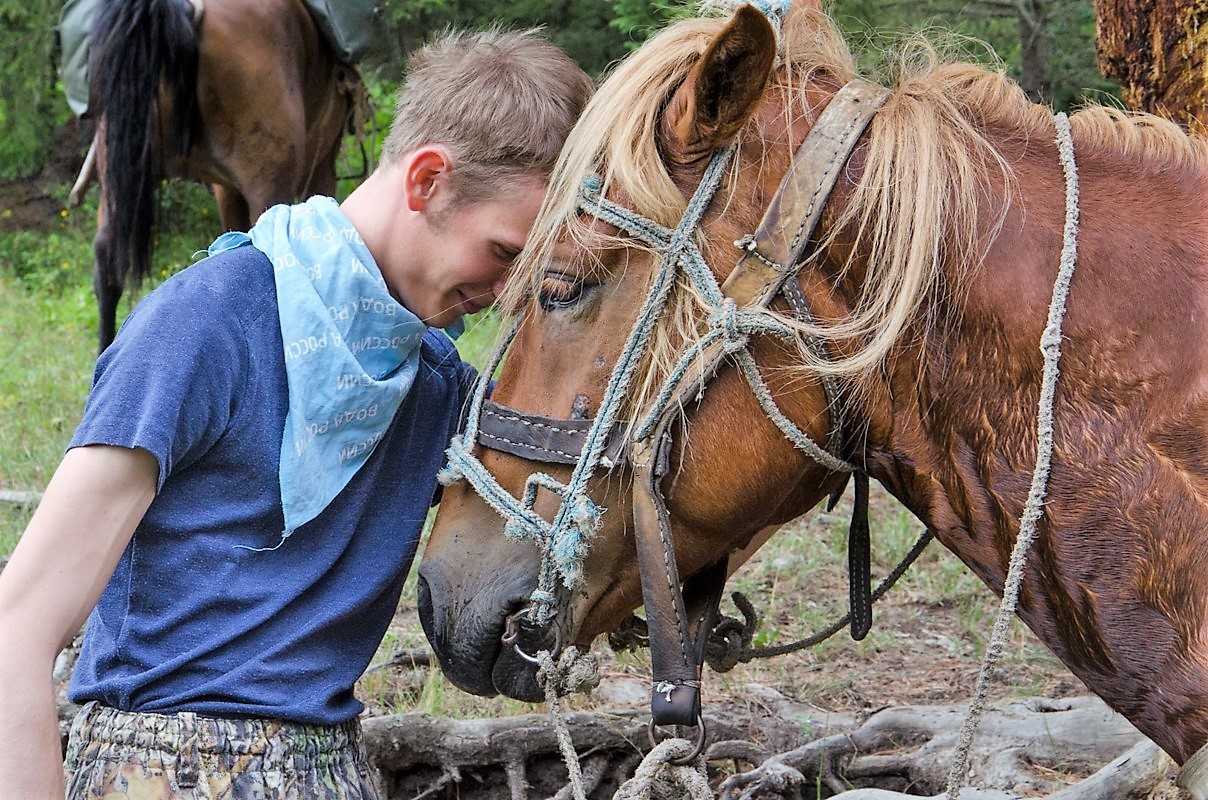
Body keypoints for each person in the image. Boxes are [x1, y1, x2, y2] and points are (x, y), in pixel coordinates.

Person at [0, 28, 592, 799]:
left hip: (336, 773)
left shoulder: (440, 386)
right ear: (428, 181)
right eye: (507, 252)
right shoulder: (205, 325)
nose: (510, 293)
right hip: (153, 776)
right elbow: (19, 627)